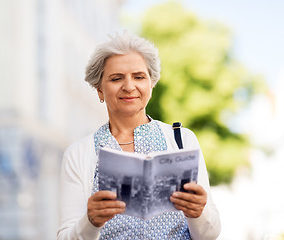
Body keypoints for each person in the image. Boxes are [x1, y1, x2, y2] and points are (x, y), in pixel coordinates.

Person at [57, 32, 221, 240]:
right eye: (116, 78)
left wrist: (198, 212)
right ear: (99, 90)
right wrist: (91, 221)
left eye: (139, 77)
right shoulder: (79, 154)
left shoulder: (182, 140)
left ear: (151, 83)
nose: (129, 86)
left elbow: (210, 234)